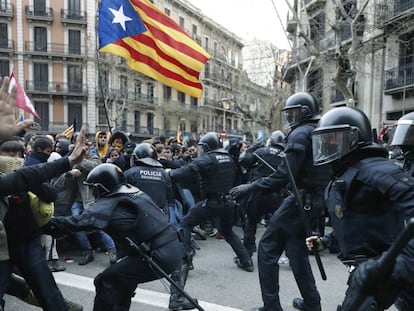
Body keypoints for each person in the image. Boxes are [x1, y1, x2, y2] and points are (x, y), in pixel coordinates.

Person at [230, 92, 331, 311]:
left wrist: (250, 187)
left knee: (267, 248)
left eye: (294, 113)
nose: (290, 118)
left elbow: (284, 175)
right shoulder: (319, 130)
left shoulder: (300, 133)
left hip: (301, 201)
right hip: (315, 200)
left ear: (304, 113)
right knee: (296, 251)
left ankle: (272, 307)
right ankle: (312, 303)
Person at [307, 106, 414, 311]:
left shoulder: (375, 170)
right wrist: (326, 241)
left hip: (384, 270)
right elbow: (357, 222)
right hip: (373, 270)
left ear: (354, 138)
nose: (329, 147)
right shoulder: (346, 172)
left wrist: (397, 265)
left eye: (335, 140)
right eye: (325, 141)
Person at [45, 163, 184, 311]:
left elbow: (77, 223)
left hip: (158, 254)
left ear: (103, 187)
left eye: (94, 188)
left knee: (105, 280)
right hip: (171, 248)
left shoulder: (110, 203)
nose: (92, 192)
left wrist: (45, 224)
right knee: (123, 281)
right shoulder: (133, 193)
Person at [170, 132, 253, 272]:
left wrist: (168, 173)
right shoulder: (228, 158)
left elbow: (184, 172)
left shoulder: (208, 159)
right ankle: (247, 262)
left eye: (202, 147)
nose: (200, 150)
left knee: (186, 223)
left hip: (212, 202)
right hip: (228, 202)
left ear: (208, 146)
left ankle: (186, 260)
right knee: (228, 232)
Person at [238, 130, 287, 257]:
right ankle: (290, 255)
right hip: (278, 194)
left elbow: (244, 161)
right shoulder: (287, 155)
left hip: (258, 193)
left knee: (251, 222)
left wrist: (253, 148)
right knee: (284, 224)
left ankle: (247, 254)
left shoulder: (262, 152)